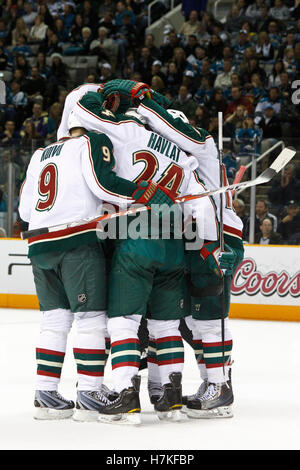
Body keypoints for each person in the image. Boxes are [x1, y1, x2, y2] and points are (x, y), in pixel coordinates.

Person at [72, 82, 221, 423]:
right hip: (174, 245)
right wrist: (209, 249)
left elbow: (82, 108)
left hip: (136, 235)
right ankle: (171, 398)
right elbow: (202, 207)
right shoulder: (180, 154)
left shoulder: (126, 130)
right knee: (167, 324)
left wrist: (105, 93)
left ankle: (126, 395)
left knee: (124, 321)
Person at [18, 108, 174, 421]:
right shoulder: (91, 143)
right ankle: (89, 392)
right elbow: (102, 185)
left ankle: (45, 393)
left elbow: (24, 207)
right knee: (90, 320)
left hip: (38, 244)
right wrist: (141, 193)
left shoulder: (40, 154)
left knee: (54, 321)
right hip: (75, 241)